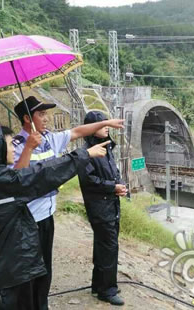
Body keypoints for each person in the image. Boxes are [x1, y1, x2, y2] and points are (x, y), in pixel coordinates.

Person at [0, 125, 110, 310]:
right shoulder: (7, 182)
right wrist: (85, 154)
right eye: (9, 144)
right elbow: (46, 172)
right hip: (12, 275)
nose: (14, 148)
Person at [11, 96, 124, 309]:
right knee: (29, 269)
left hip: (46, 215)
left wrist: (105, 123)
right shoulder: (16, 144)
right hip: (27, 218)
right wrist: (28, 148)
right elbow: (16, 180)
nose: (46, 118)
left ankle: (41, 304)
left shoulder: (50, 139)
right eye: (41, 114)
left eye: (46, 114)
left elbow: (78, 131)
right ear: (27, 118)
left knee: (45, 267)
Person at [78, 111, 128, 306]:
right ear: (91, 129)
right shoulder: (87, 152)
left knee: (103, 246)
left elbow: (113, 173)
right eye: (102, 124)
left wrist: (120, 185)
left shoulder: (107, 148)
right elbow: (88, 181)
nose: (107, 126)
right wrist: (111, 187)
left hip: (110, 204)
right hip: (100, 207)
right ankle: (108, 290)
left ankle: (99, 284)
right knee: (109, 247)